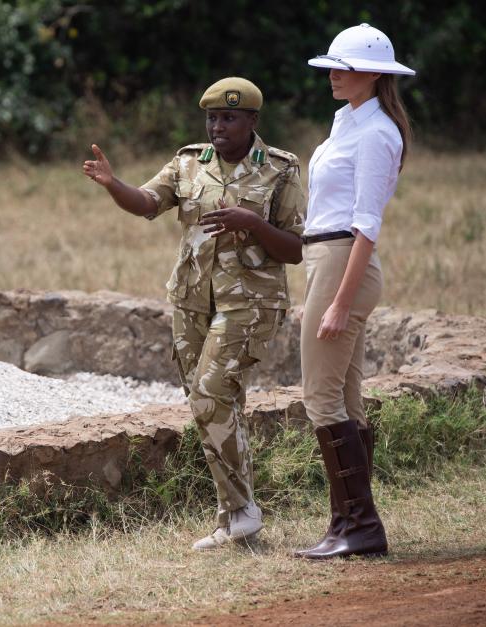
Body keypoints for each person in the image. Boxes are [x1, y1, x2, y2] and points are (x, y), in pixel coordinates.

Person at [82, 77, 305, 550]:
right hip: (190, 300)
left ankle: (242, 510)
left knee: (210, 396)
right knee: (215, 407)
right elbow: (147, 203)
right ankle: (235, 519)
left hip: (249, 302)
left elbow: (295, 248)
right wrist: (112, 184)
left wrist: (253, 223)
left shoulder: (281, 170)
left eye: (229, 118)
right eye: (212, 118)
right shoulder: (188, 162)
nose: (218, 127)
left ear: (251, 122)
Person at [294, 24, 415, 560]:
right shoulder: (347, 122)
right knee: (344, 396)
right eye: (332, 66)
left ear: (372, 75)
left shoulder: (375, 133)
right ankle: (349, 524)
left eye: (343, 67)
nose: (333, 74)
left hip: (345, 261)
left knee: (319, 395)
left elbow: (367, 224)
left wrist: (340, 301)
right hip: (328, 257)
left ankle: (360, 525)